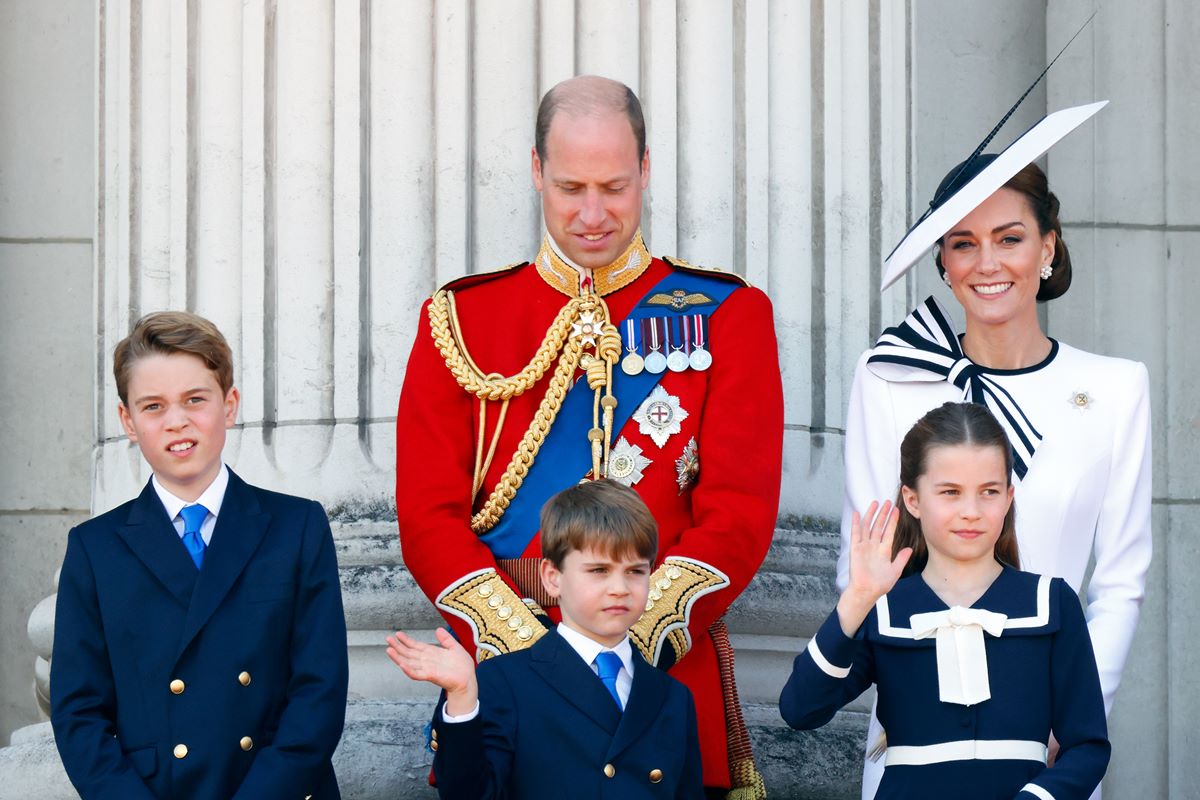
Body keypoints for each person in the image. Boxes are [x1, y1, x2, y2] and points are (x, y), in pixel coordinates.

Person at [395, 74, 783, 795]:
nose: (595, 213)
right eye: (572, 187)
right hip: (506, 671)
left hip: (660, 675)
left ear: (645, 171)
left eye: (615, 186)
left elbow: (739, 517)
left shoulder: (729, 314)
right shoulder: (460, 320)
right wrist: (534, 658)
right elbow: (427, 517)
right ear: (537, 171)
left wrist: (620, 641)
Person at [842, 103, 1150, 797]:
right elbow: (863, 565)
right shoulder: (888, 379)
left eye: (1009, 238)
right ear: (942, 262)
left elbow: (1120, 584)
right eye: (962, 243)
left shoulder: (1116, 388)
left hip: (1049, 748)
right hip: (914, 742)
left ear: (1047, 248)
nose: (987, 264)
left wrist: (1066, 721)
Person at [50, 311, 348, 799]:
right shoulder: (95, 548)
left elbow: (319, 690)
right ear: (127, 420)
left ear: (228, 405)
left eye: (195, 399)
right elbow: (79, 713)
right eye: (153, 406)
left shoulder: (296, 527)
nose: (176, 421)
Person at [786, 402, 1110, 799]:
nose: (971, 512)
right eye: (950, 493)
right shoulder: (882, 608)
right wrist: (857, 599)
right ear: (913, 500)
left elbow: (1088, 747)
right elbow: (801, 710)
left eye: (988, 492)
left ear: (1009, 498)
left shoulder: (1051, 602)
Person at [388, 479, 704, 799]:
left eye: (636, 571)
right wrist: (461, 696)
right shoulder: (502, 681)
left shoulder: (672, 696)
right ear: (552, 578)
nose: (620, 587)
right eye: (599, 571)